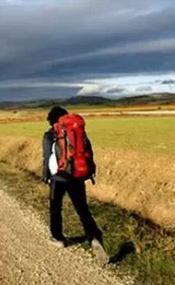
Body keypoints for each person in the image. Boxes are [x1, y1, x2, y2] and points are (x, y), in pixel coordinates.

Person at [42, 106, 109, 265]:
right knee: (82, 209)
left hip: (59, 177)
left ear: (51, 120)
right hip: (77, 175)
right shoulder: (77, 131)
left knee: (56, 208)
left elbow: (47, 157)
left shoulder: (50, 135)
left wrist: (46, 176)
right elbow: (88, 152)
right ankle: (94, 238)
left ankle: (58, 238)